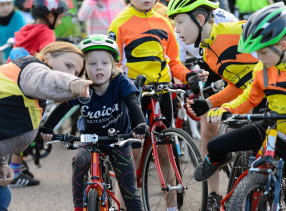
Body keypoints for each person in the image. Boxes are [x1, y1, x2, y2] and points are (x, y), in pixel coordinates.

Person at [0, 41, 92, 210]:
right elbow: (46, 79)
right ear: (47, 56)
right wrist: (71, 83)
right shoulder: (32, 68)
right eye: (68, 65)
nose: (71, 73)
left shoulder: (34, 99)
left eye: (75, 72)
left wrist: (0, 163)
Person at [108, 0, 208, 210]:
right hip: (133, 93)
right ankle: (122, 205)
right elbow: (113, 65)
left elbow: (173, 62)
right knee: (131, 155)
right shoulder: (119, 23)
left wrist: (188, 75)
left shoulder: (164, 22)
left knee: (165, 152)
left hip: (161, 92)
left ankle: (171, 207)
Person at [167, 0, 259, 209]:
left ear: (200, 19)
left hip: (274, 96)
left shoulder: (235, 29)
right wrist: (209, 103)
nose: (176, 30)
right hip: (252, 95)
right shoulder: (209, 54)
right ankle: (216, 194)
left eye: (180, 22)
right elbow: (239, 84)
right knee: (212, 139)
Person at [40, 34, 147, 211]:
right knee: (80, 160)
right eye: (92, 63)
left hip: (118, 140)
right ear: (84, 68)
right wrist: (48, 128)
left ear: (113, 65)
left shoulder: (120, 82)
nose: (99, 68)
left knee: (131, 194)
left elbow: (132, 103)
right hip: (90, 140)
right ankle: (79, 206)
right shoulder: (82, 86)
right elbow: (63, 108)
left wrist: (140, 125)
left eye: (104, 63)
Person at [194, 2, 286, 184]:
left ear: (283, 45)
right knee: (215, 145)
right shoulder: (262, 69)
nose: (258, 58)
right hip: (272, 131)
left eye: (264, 52)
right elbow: (249, 98)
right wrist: (226, 109)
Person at [8, 0, 69, 187]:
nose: (60, 20)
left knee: (17, 126)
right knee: (25, 128)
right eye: (60, 17)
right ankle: (15, 173)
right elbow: (48, 57)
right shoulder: (48, 33)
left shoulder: (27, 28)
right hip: (31, 84)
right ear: (50, 16)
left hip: (12, 78)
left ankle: (13, 167)